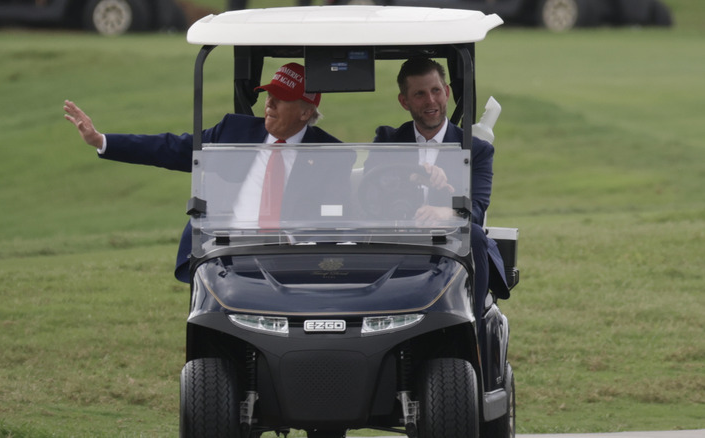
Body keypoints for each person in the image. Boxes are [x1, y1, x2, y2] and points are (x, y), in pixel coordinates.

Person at [64, 62, 351, 283]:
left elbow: (336, 221)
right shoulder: (234, 130)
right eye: (268, 95)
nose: (269, 104)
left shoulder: (330, 155)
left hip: (290, 260)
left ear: (305, 112)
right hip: (225, 256)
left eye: (281, 98)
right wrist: (102, 141)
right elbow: (173, 148)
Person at [365, 57, 510, 326]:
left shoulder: (476, 150)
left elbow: (475, 209)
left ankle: (472, 329)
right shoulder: (388, 140)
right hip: (396, 237)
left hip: (449, 245)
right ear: (404, 101)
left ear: (447, 92)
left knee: (475, 234)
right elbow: (371, 194)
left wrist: (447, 210)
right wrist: (412, 175)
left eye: (435, 91)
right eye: (419, 94)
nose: (430, 101)